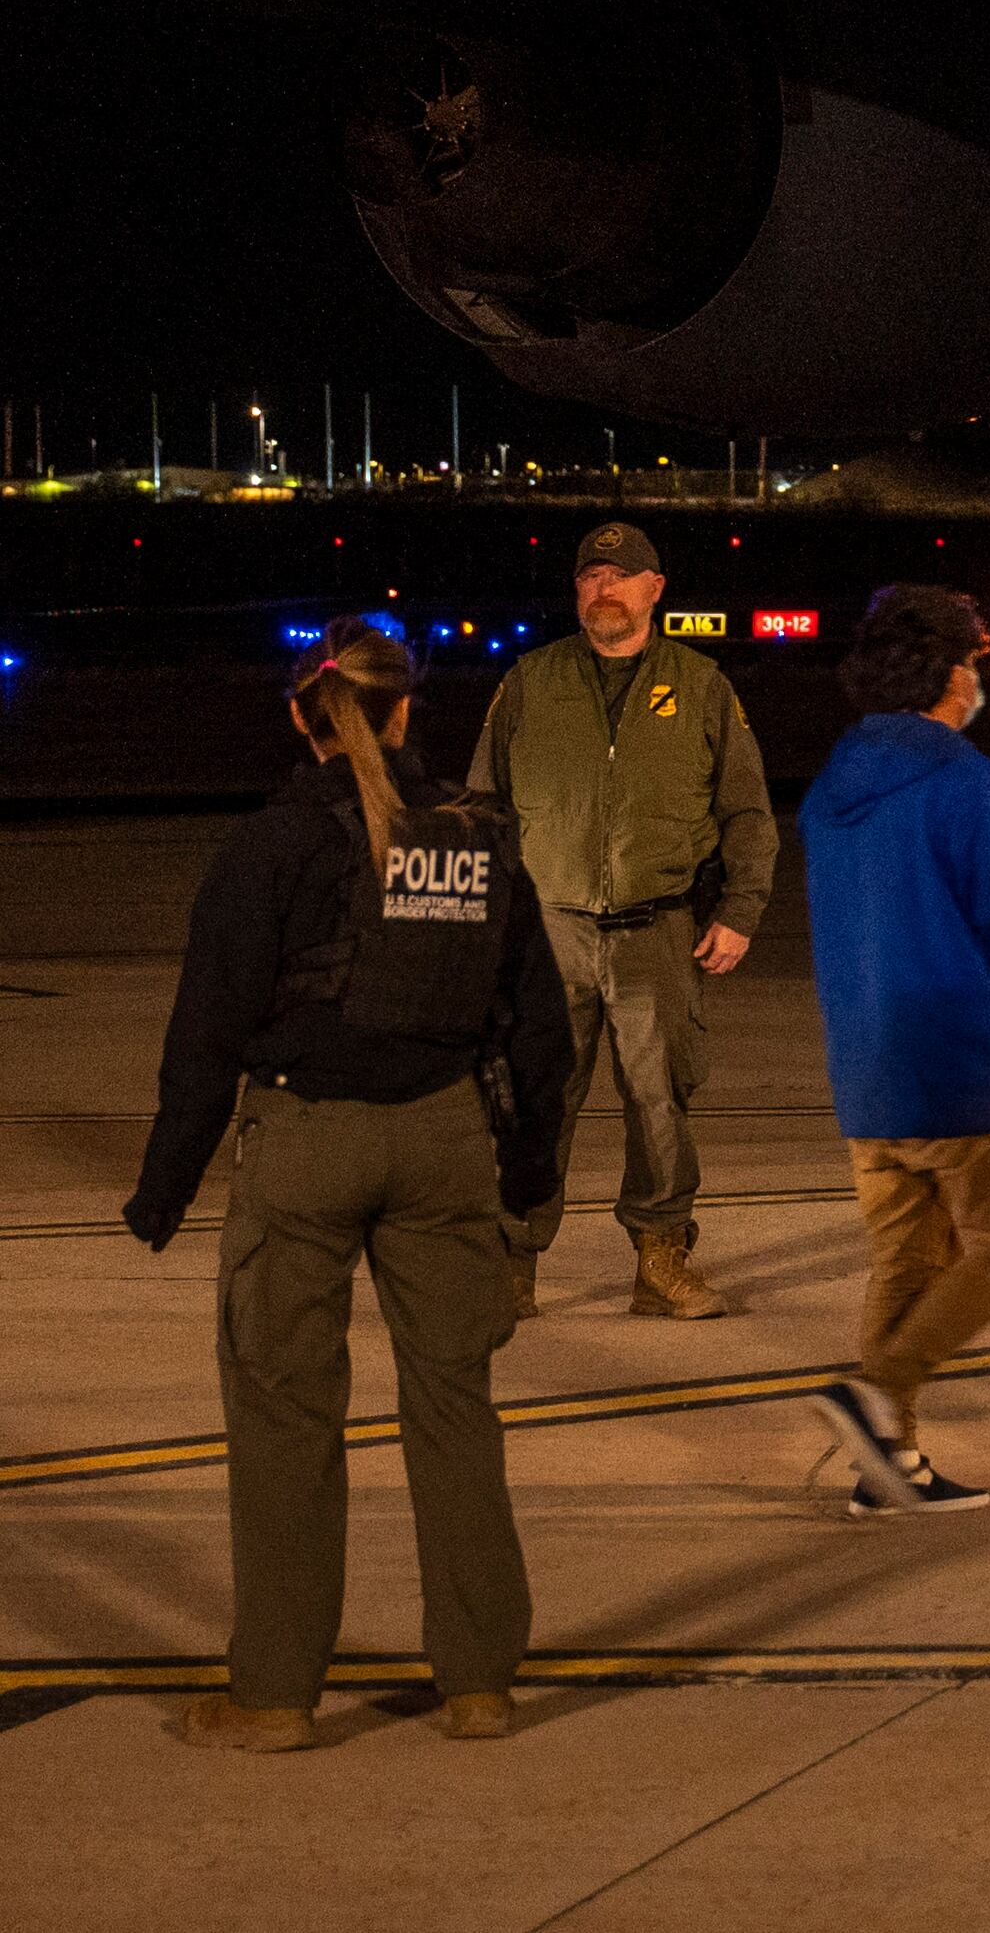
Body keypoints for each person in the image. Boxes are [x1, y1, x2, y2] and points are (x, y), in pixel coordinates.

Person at [128, 631, 574, 1750]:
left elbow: (207, 1030)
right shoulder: (477, 839)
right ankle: (478, 1683)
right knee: (454, 1409)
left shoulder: (272, 844)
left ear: (302, 718)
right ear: (405, 714)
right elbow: (539, 1026)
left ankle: (276, 1694)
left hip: (308, 1141)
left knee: (285, 1419)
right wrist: (529, 1180)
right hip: (443, 1142)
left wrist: (164, 1189)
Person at [466, 520, 775, 1321]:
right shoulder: (529, 682)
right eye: (588, 577)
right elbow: (482, 810)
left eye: (619, 575)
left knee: (660, 1100)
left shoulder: (703, 686)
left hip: (658, 929)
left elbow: (747, 810)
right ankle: (510, 1262)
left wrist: (739, 910)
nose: (602, 588)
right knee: (534, 1096)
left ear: (654, 589)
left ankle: (662, 1257)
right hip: (548, 930)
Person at [799, 585, 990, 1516]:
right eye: (976, 662)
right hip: (958, 1062)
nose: (979, 678)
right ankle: (877, 1391)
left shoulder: (835, 782)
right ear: (951, 673)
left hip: (866, 1070)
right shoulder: (972, 782)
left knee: (906, 1261)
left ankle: (890, 1462)